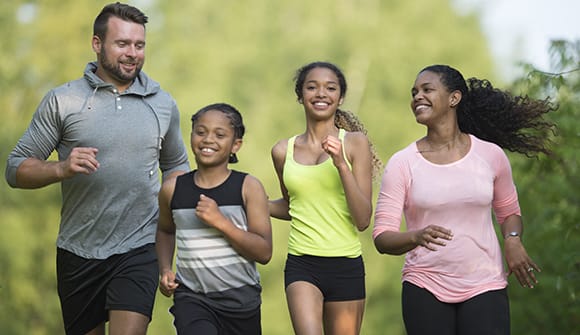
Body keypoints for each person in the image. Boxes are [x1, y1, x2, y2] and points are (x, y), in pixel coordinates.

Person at [5, 3, 190, 335]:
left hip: (138, 247)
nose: (133, 53)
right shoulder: (64, 100)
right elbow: (16, 169)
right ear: (97, 43)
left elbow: (176, 164)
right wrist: (61, 168)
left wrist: (172, 203)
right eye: (122, 44)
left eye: (139, 45)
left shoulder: (162, 104)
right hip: (78, 250)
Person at [372, 64, 556, 335]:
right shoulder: (403, 163)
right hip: (424, 284)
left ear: (454, 98)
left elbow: (509, 214)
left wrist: (513, 238)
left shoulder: (490, 155)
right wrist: (416, 236)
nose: (417, 97)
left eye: (427, 89)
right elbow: (382, 236)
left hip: (485, 284)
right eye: (414, 92)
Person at [269, 61, 382, 335]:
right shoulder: (283, 151)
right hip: (302, 262)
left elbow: (363, 218)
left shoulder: (355, 144)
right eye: (312, 87)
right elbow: (292, 206)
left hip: (346, 263)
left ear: (340, 97)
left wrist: (341, 165)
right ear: (300, 96)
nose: (321, 93)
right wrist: (256, 203)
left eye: (330, 88)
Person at [156, 103, 273, 335]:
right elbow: (165, 230)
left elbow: (264, 252)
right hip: (192, 298)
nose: (208, 139)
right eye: (201, 132)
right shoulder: (172, 189)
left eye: (220, 135)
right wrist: (165, 268)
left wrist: (221, 222)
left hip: (241, 301)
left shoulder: (248, 187)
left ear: (235, 145)